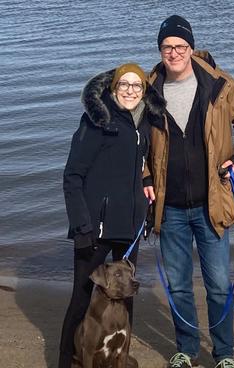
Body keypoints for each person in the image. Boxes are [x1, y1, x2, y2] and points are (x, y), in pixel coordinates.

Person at [143, 15, 234, 368]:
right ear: (160, 50)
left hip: (212, 205)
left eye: (180, 46)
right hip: (170, 210)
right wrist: (143, 177)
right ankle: (186, 349)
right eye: (167, 47)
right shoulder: (148, 88)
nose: (174, 53)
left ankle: (224, 354)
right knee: (180, 287)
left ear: (191, 48)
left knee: (217, 287)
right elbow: (132, 140)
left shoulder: (220, 85)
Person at [59, 63, 165, 368]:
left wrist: (146, 185)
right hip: (95, 228)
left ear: (145, 91)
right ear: (113, 88)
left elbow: (138, 164)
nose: (130, 91)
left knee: (125, 297)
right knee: (81, 300)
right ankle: (66, 361)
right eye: (124, 85)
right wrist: (82, 227)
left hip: (129, 227)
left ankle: (117, 358)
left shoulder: (144, 122)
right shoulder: (97, 121)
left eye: (137, 86)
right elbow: (73, 176)